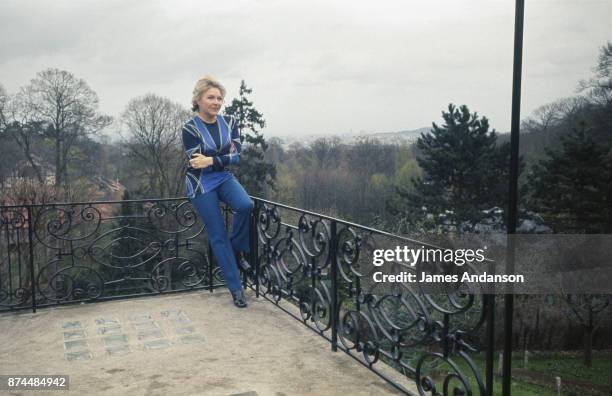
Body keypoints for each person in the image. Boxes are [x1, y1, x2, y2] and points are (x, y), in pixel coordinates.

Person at [181, 75, 254, 308]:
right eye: (210, 97)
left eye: (219, 98)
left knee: (246, 205)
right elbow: (196, 163)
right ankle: (236, 289)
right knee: (218, 235)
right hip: (201, 184)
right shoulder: (189, 128)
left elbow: (236, 157)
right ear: (198, 100)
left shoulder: (230, 122)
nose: (216, 102)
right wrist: (219, 159)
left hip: (223, 177)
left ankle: (237, 250)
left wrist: (211, 159)